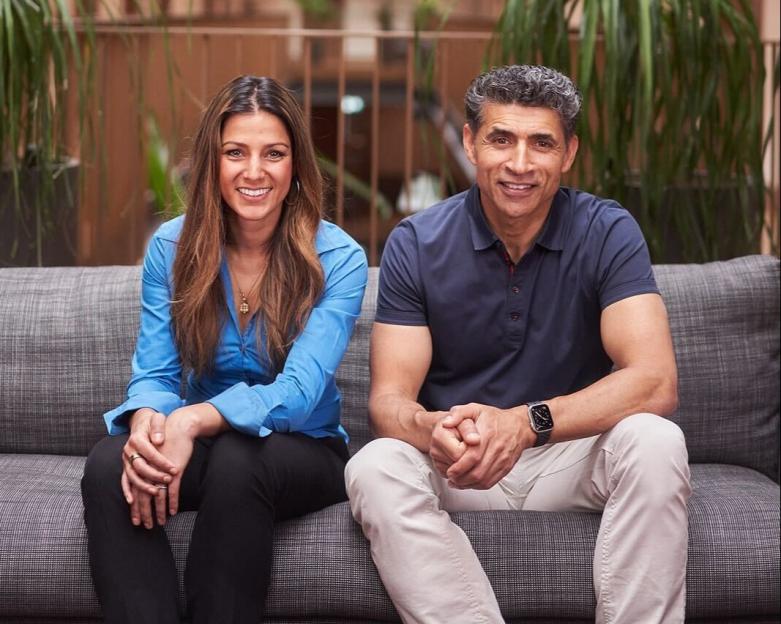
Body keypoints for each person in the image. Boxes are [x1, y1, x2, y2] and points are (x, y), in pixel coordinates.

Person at [345, 64, 691, 624]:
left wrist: (526, 423)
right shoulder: (417, 241)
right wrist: (432, 430)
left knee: (655, 440)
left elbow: (654, 380)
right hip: (464, 462)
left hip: (570, 455)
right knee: (375, 466)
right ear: (469, 143)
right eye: (500, 139)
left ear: (570, 152)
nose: (520, 164)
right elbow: (388, 402)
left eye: (542, 143)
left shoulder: (607, 231)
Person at [81, 75, 368, 624]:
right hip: (211, 448)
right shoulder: (171, 247)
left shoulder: (340, 258)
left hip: (303, 449)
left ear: (296, 166)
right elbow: (156, 373)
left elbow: (300, 393)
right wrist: (147, 420)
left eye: (274, 154)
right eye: (236, 152)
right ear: (213, 162)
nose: (254, 172)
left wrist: (193, 421)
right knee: (108, 463)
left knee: (241, 459)